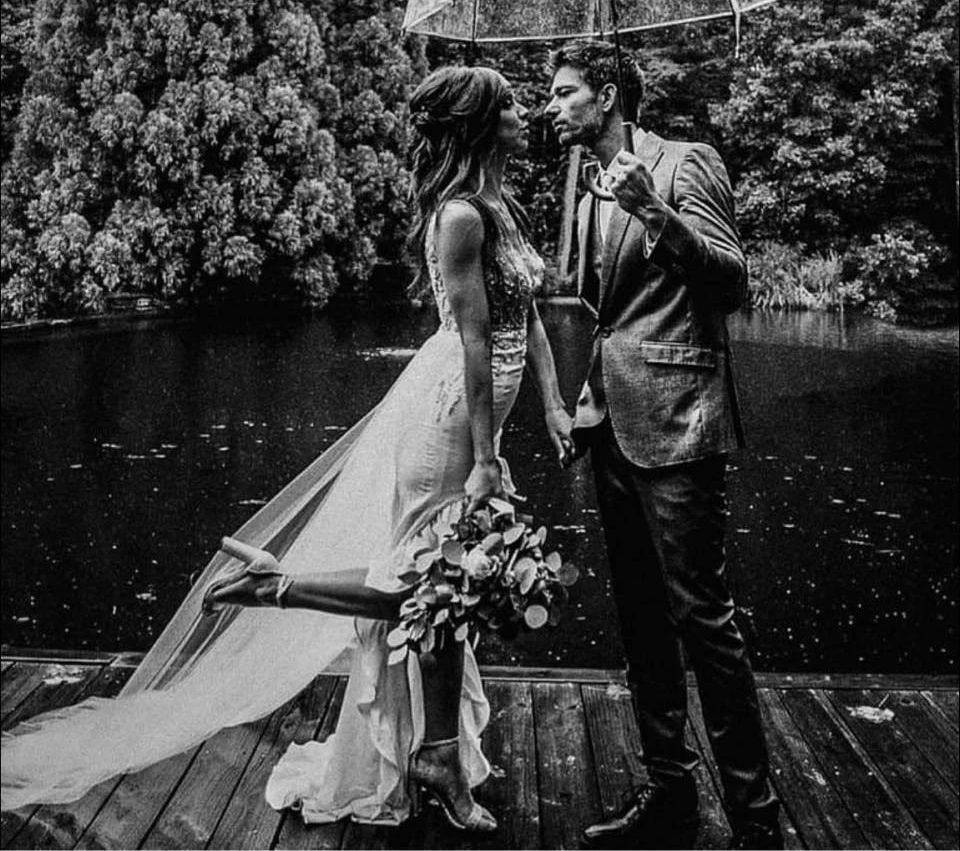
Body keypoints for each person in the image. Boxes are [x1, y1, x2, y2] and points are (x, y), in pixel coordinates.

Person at [1, 65, 574, 832]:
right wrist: (481, 455)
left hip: (484, 414)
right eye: (506, 105)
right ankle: (285, 589)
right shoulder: (462, 217)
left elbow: (526, 318)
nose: (522, 111)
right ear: (477, 123)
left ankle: (435, 748)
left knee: (449, 588)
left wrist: (556, 404)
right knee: (427, 581)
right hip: (447, 418)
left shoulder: (504, 204)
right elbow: (472, 338)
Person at [544, 40, 782, 851]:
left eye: (567, 92)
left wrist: (655, 210)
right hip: (611, 426)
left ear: (607, 96)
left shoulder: (684, 164)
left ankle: (757, 823)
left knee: (704, 623)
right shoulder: (582, 193)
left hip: (681, 425)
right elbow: (606, 318)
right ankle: (673, 798)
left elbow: (733, 281)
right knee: (642, 620)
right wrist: (582, 397)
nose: (553, 105)